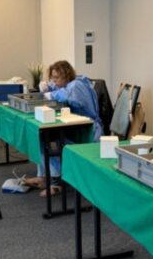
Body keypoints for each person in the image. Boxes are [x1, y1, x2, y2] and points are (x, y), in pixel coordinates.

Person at [24, 60, 103, 196]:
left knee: (49, 140)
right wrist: (47, 85)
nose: (54, 81)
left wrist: (50, 93)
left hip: (89, 131)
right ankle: (43, 177)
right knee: (41, 135)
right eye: (52, 77)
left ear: (67, 75)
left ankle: (56, 182)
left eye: (57, 77)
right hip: (76, 127)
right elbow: (58, 87)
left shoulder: (77, 85)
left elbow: (64, 94)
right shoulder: (70, 83)